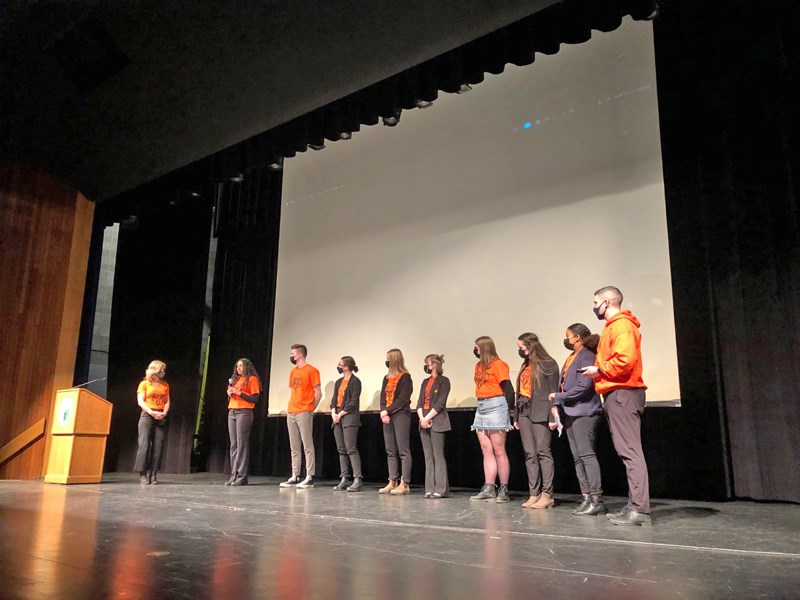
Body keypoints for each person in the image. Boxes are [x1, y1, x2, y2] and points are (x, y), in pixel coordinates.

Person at [581, 286, 651, 526]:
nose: (594, 307)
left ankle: (640, 509)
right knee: (626, 452)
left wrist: (599, 370)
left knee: (631, 452)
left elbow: (625, 359)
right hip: (615, 392)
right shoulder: (613, 327)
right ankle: (634, 505)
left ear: (608, 302)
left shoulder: (621, 326)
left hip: (623, 392)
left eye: (595, 302)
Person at [549, 324, 606, 515]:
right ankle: (586, 496)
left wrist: (559, 397)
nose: (566, 340)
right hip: (570, 412)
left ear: (578, 337)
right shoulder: (571, 357)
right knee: (577, 457)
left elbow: (584, 386)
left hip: (585, 412)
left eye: (568, 336)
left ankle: (597, 498)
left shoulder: (587, 355)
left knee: (586, 454)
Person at [514, 333, 560, 509]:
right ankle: (534, 493)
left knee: (543, 452)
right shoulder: (525, 364)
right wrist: (516, 416)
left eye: (522, 347)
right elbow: (521, 390)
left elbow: (553, 391)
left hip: (541, 412)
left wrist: (552, 416)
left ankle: (547, 494)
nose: (520, 351)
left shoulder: (548, 363)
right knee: (529, 453)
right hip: (524, 411)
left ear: (531, 345)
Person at [470, 336, 515, 503]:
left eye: (477, 347)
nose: (475, 351)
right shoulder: (478, 366)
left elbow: (508, 389)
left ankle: (504, 488)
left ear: (484, 348)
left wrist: (511, 410)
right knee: (485, 449)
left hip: (496, 405)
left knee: (498, 449)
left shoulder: (498, 364)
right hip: (481, 406)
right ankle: (489, 487)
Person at [280, 344, 321, 489]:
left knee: (307, 445)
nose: (292, 356)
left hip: (304, 411)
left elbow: (318, 393)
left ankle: (309, 476)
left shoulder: (312, 370)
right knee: (294, 446)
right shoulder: (292, 371)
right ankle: (295, 475)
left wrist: (310, 410)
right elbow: (294, 391)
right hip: (291, 411)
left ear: (300, 355)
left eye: (293, 354)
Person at [379, 348, 413, 495]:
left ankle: (404, 483)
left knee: (403, 451)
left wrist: (388, 410)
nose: (386, 361)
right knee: (390, 450)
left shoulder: (405, 377)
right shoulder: (386, 378)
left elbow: (403, 399)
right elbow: (382, 398)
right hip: (387, 416)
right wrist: (383, 412)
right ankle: (392, 481)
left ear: (394, 360)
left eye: (388, 358)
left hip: (401, 416)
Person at [417, 354, 451, 498]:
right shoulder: (425, 382)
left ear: (434, 365)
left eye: (428, 364)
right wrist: (422, 419)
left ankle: (441, 489)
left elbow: (440, 404)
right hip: (424, 421)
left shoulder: (444, 381)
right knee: (428, 456)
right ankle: (429, 488)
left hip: (437, 421)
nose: (426, 367)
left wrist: (428, 417)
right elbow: (419, 402)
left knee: (438, 455)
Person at [226, 358, 261, 486]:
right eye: (237, 366)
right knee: (233, 445)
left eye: (241, 366)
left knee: (242, 444)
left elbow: (255, 398)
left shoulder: (252, 379)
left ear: (247, 366)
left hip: (244, 412)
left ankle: (241, 476)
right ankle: (233, 475)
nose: (238, 368)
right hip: (232, 412)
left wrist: (239, 392)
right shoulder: (235, 380)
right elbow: (233, 394)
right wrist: (230, 393)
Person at [134, 360, 170, 485]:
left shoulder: (165, 385)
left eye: (163, 371)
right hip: (147, 415)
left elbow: (167, 401)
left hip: (160, 416)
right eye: (161, 370)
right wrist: (151, 412)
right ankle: (142, 474)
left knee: (158, 446)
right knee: (144, 445)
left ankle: (153, 474)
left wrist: (164, 412)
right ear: (154, 371)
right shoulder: (144, 384)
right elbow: (140, 401)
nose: (163, 373)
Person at [330, 356, 363, 492]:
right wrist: (333, 413)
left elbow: (353, 401)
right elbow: (334, 400)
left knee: (351, 448)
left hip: (349, 418)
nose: (338, 366)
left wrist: (341, 413)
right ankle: (344, 478)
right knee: (341, 450)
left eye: (341, 364)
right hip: (337, 418)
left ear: (347, 366)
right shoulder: (338, 382)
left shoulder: (355, 381)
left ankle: (357, 478)